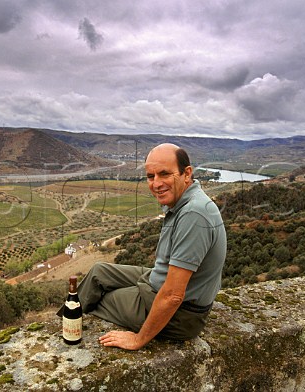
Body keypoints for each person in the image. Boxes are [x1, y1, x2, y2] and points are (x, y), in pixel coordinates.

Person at [59, 143, 227, 350]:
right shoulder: (186, 202)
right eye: (150, 176)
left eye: (164, 174)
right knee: (99, 272)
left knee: (102, 298)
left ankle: (70, 330)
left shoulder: (193, 214)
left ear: (187, 173)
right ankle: (65, 322)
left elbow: (173, 295)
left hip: (182, 315)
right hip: (158, 283)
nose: (156, 184)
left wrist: (138, 340)